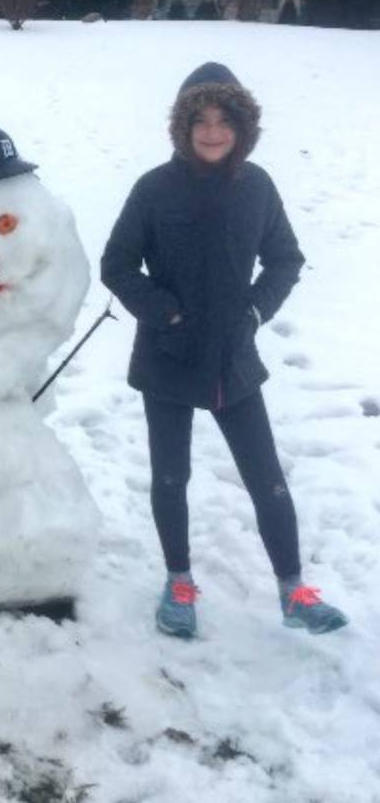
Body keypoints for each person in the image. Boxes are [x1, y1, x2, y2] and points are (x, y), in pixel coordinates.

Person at [101, 62, 348, 639]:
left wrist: (257, 310)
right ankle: (179, 584)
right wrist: (164, 311)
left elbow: (285, 258)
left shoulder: (256, 186)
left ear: (243, 128)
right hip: (168, 354)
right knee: (171, 477)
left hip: (233, 358)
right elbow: (117, 265)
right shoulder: (154, 188)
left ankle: (293, 591)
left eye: (224, 120)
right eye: (200, 120)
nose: (212, 131)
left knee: (268, 480)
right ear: (182, 127)